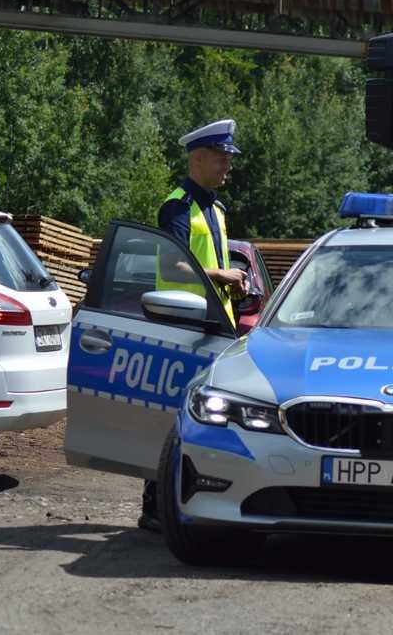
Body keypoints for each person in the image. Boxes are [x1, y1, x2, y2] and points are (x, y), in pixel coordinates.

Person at [139, 118, 249, 533]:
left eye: (228, 159)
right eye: (221, 158)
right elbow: (174, 262)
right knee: (172, 418)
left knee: (204, 416)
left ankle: (200, 495)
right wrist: (221, 276)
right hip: (181, 323)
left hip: (214, 325)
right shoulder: (178, 204)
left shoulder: (215, 207)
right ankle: (155, 506)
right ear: (197, 158)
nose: (227, 166)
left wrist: (230, 284)